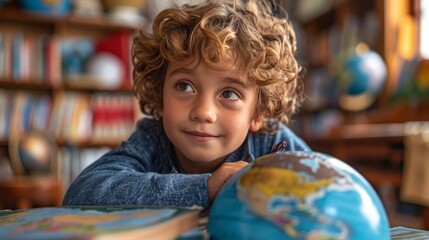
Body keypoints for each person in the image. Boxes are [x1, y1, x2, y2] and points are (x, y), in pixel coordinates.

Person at [62, 0, 310, 209]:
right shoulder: (153, 139)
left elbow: (328, 189)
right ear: (160, 96)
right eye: (184, 86)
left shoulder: (273, 142)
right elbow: (82, 193)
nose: (203, 112)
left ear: (258, 114)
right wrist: (205, 187)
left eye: (230, 94)